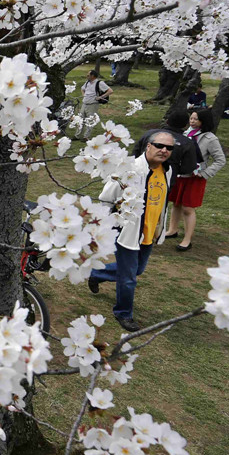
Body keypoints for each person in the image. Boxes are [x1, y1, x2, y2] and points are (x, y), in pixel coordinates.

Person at [87, 133, 175, 331]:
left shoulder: (167, 170)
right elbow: (106, 197)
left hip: (150, 231)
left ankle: (97, 273)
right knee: (128, 278)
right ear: (148, 146)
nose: (164, 150)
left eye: (169, 148)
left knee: (137, 270)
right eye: (160, 145)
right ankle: (123, 313)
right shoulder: (130, 168)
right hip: (128, 231)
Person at [165, 109, 226, 251]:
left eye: (195, 119)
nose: (192, 121)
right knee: (176, 204)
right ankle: (172, 230)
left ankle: (187, 239)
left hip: (195, 178)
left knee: (188, 208)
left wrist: (205, 173)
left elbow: (220, 160)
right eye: (191, 119)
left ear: (203, 121)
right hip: (180, 175)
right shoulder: (184, 134)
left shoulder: (210, 139)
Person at [132, 111, 197, 177]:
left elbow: (135, 154)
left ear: (167, 121)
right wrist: (174, 169)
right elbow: (189, 167)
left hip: (140, 174)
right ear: (186, 125)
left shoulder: (148, 134)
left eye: (169, 148)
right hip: (165, 180)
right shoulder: (187, 143)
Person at [74, 70, 112, 141]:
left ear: (93, 76)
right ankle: (77, 135)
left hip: (93, 104)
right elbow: (82, 89)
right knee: (80, 120)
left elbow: (110, 91)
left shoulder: (99, 83)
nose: (87, 76)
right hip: (85, 103)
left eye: (88, 75)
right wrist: (84, 95)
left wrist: (101, 97)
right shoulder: (87, 82)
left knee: (90, 120)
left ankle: (86, 136)